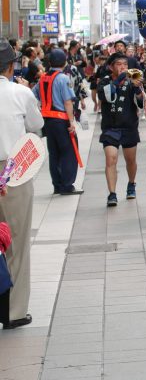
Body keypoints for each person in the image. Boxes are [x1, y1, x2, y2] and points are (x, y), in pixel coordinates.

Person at [0, 42, 45, 329]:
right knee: (15, 240)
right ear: (11, 65)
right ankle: (13, 311)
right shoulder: (19, 92)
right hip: (11, 170)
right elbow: (36, 123)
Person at [98, 52, 146, 207]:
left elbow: (140, 102)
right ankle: (112, 193)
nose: (123, 67)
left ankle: (131, 183)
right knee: (110, 158)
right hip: (110, 127)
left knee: (130, 160)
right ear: (111, 67)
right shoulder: (104, 81)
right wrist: (118, 80)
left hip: (129, 125)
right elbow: (106, 96)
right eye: (119, 64)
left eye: (125, 64)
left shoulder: (132, 80)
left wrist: (138, 90)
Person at [36, 49, 82, 195]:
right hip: (61, 120)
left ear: (49, 62)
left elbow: (34, 96)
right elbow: (68, 102)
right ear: (65, 62)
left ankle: (57, 185)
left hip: (48, 121)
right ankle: (67, 185)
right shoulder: (64, 78)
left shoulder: (42, 78)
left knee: (54, 153)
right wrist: (71, 123)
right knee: (68, 152)